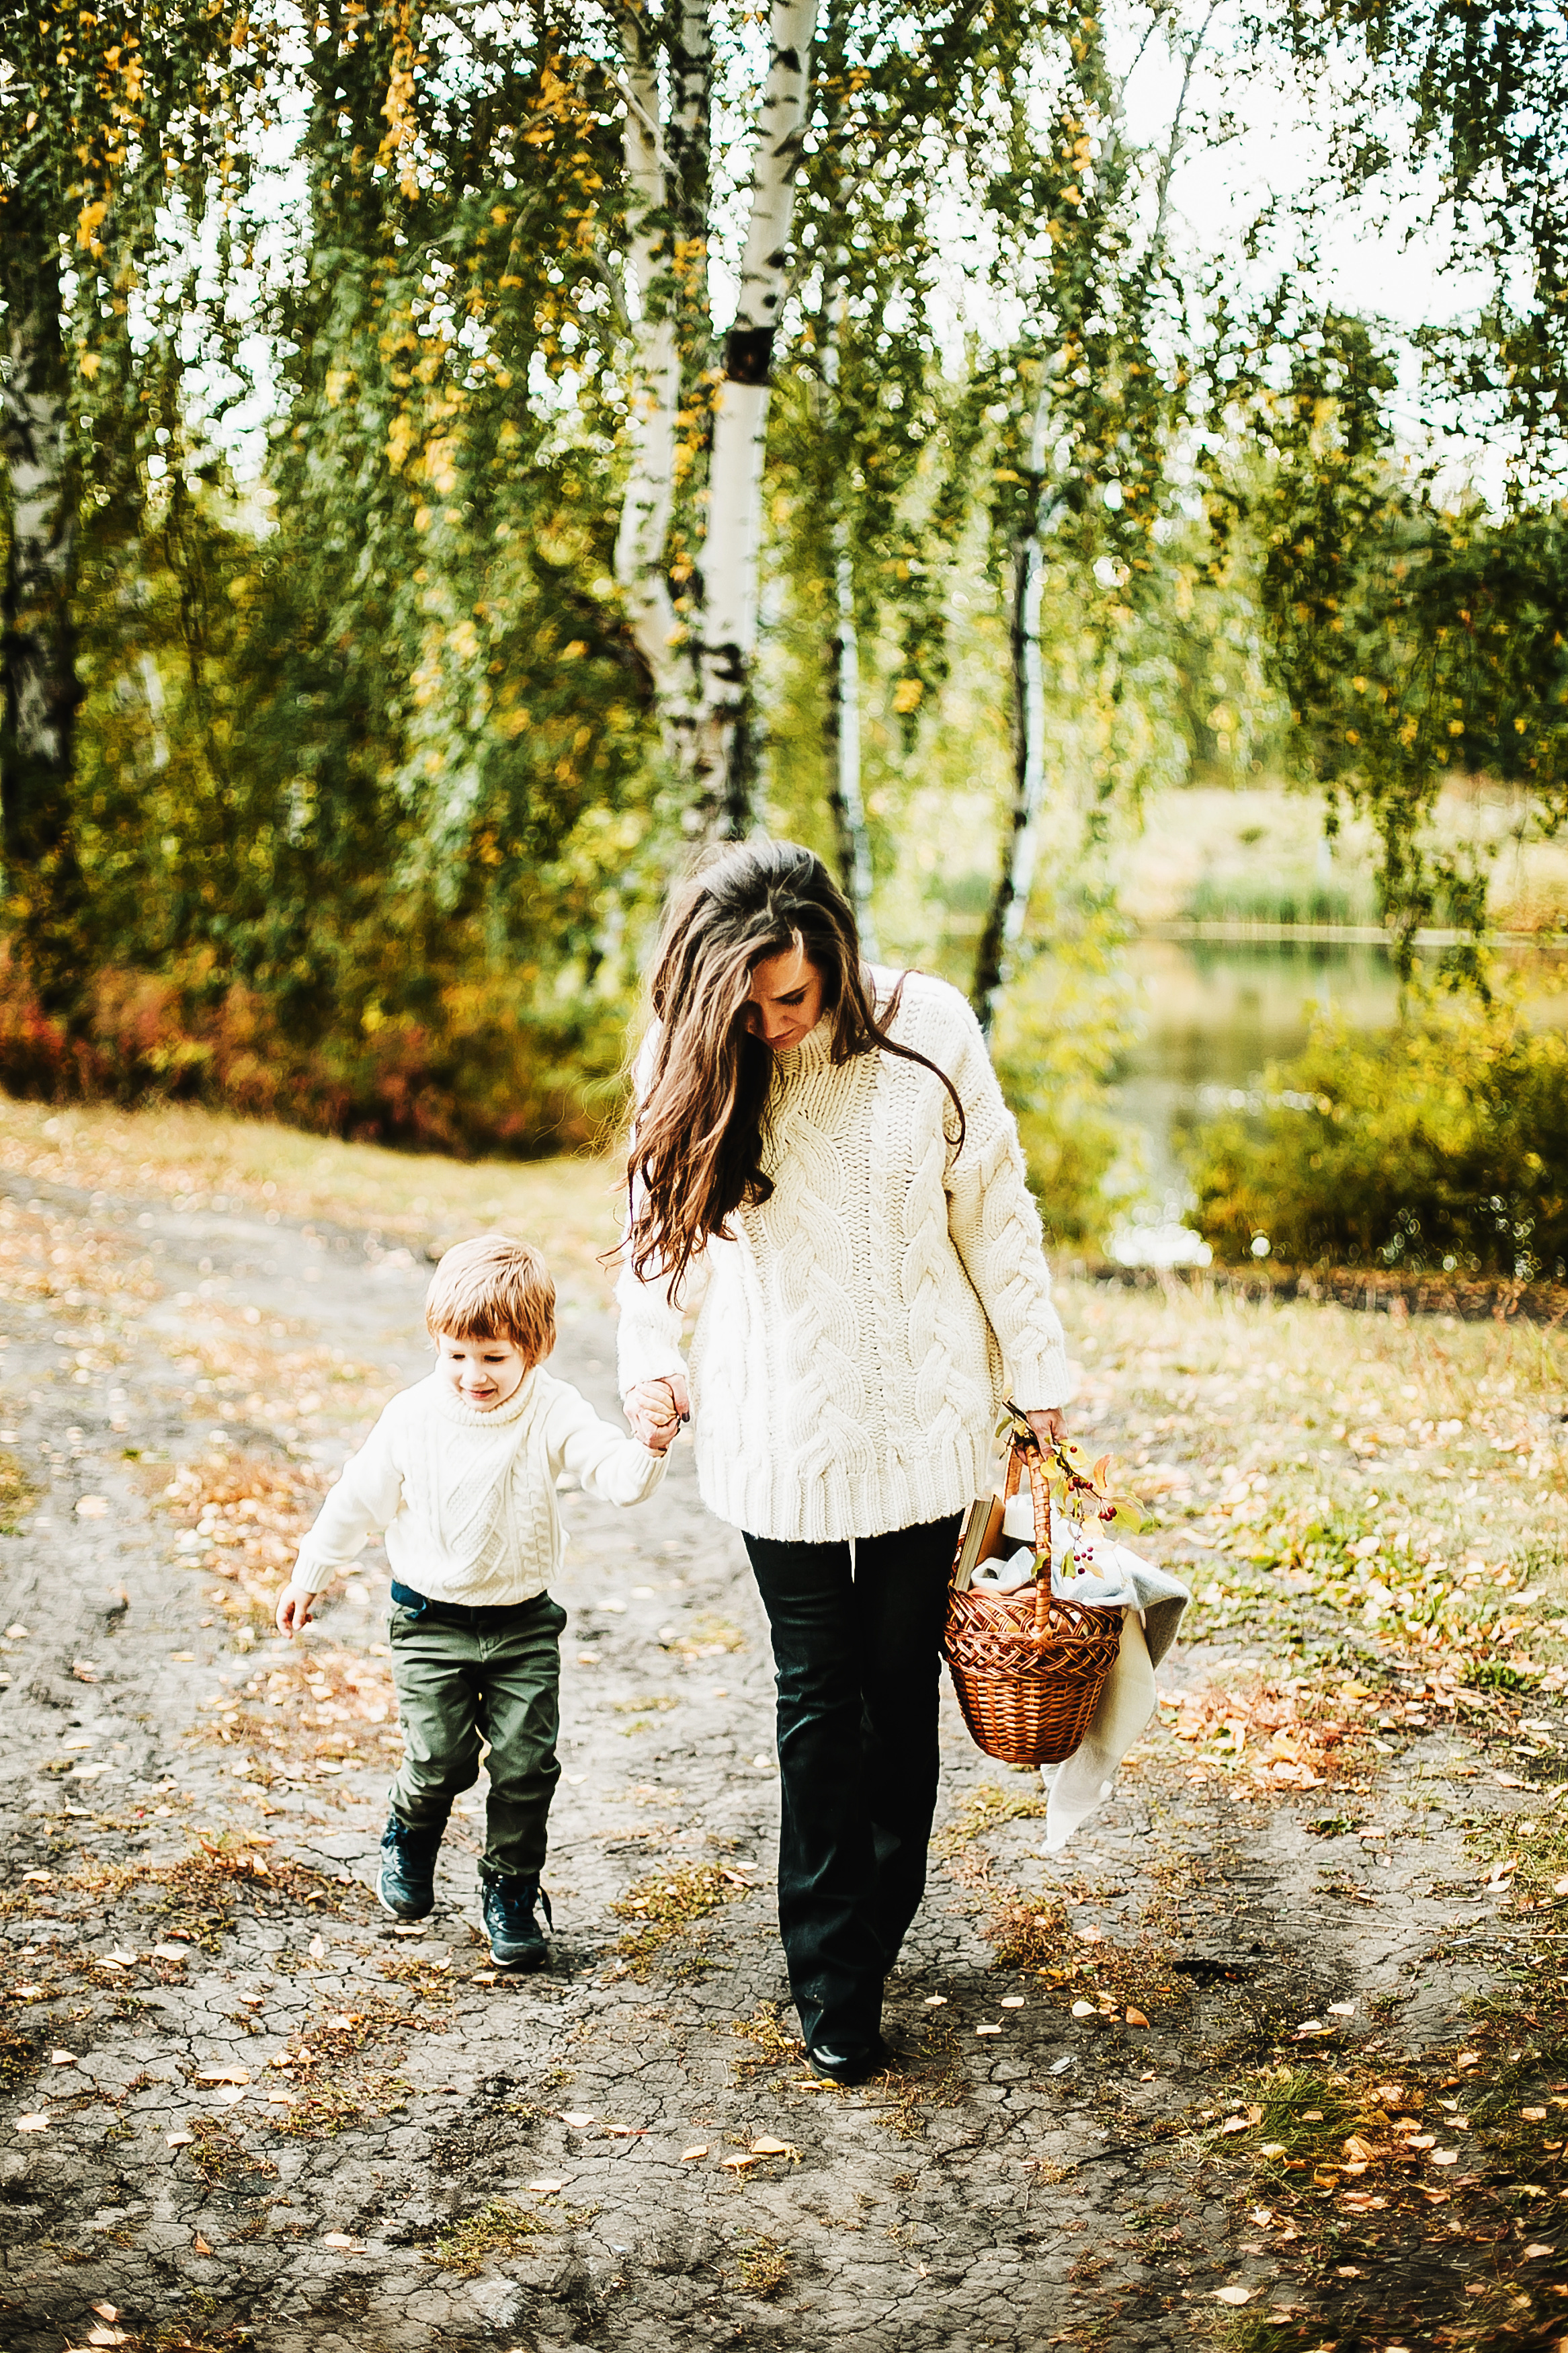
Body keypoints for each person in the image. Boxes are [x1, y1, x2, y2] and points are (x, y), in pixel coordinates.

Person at [616, 839, 1070, 2081]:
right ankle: (831, 1976)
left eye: (790, 999)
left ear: (836, 959)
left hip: (926, 1426)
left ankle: (874, 1927)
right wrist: (650, 1358)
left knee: (895, 1700)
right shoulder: (691, 1051)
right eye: (743, 1006)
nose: (768, 1025)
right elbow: (652, 1236)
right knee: (818, 1710)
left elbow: (994, 1206)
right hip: (777, 1434)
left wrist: (1041, 1380)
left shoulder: (928, 1031)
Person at [274, 1232, 672, 1969]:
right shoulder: (411, 1416)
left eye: (494, 1358)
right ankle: (409, 1832)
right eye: (456, 1354)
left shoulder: (551, 1410)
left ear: (535, 1346)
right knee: (439, 1758)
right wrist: (310, 1571)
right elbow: (355, 1499)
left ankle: (510, 1887)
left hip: (522, 1625)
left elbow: (610, 1474)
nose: (473, 1375)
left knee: (526, 1764)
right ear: (437, 1342)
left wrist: (648, 1446)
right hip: (428, 1621)